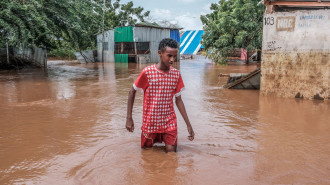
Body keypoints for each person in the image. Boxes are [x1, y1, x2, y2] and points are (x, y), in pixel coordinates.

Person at [126, 38, 195, 152]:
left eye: (174, 56)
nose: (172, 59)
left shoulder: (176, 75)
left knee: (172, 154)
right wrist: (129, 118)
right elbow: (132, 91)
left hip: (169, 121)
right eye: (169, 56)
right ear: (160, 53)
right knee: (147, 153)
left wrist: (188, 124)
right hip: (150, 121)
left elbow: (178, 100)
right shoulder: (147, 72)